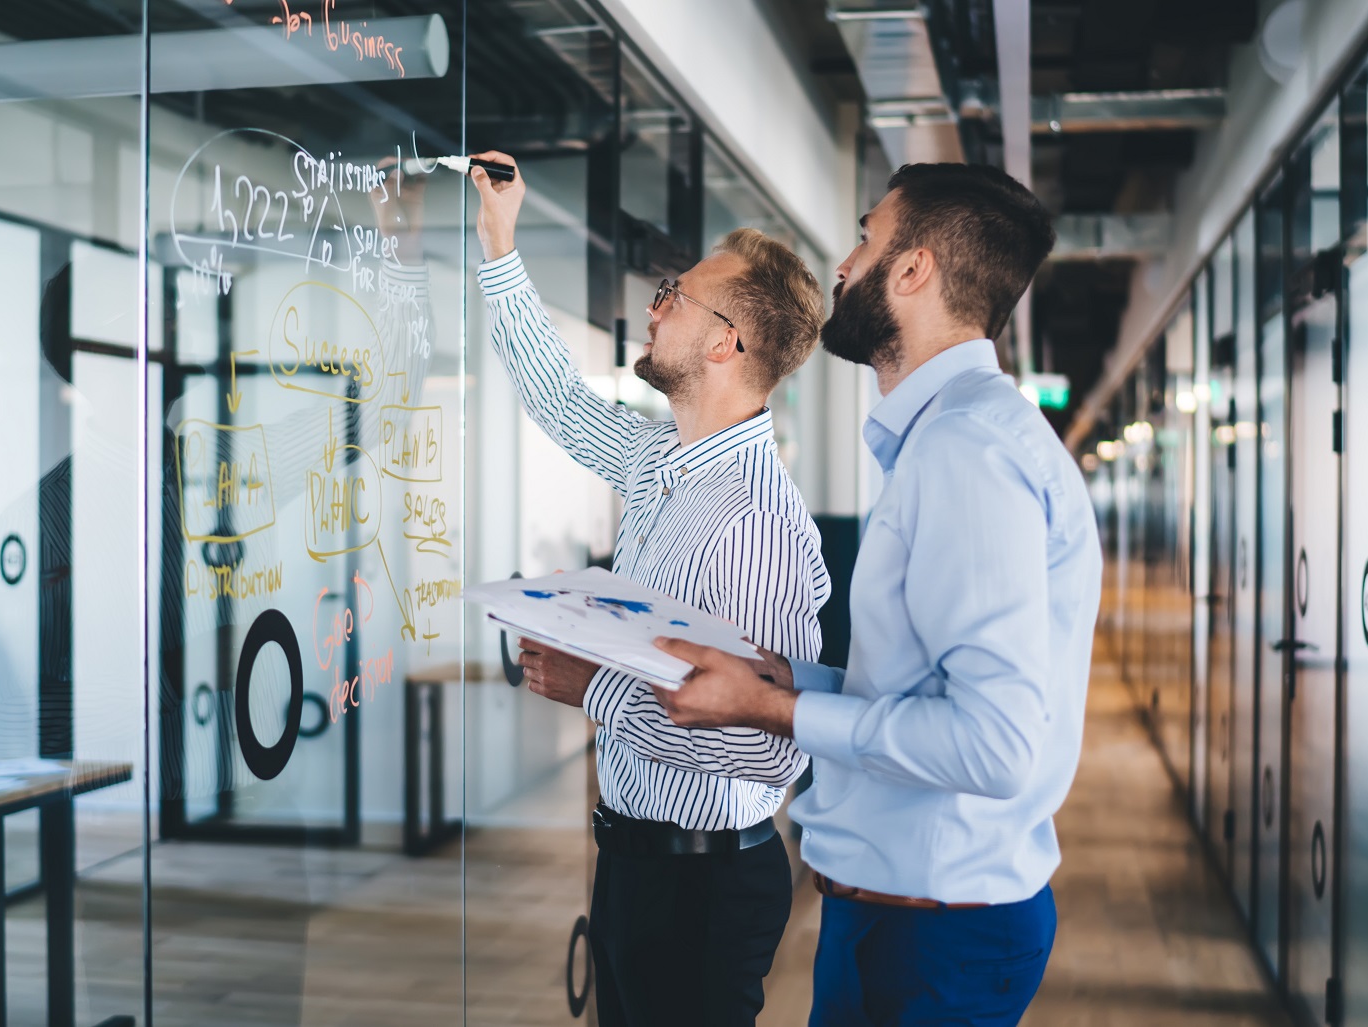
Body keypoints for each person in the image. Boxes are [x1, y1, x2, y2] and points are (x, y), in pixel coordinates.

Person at [654, 162, 1102, 1026]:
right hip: (911, 924)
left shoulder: (965, 450)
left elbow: (992, 742)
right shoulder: (957, 435)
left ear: (912, 270)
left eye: (866, 235)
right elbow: (919, 697)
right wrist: (777, 681)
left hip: (929, 943)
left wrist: (780, 713)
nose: (845, 261)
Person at [465, 151, 831, 1027]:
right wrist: (497, 238)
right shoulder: (660, 456)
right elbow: (556, 398)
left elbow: (772, 750)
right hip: (636, 864)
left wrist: (601, 692)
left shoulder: (755, 520)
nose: (654, 303)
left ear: (723, 343)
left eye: (676, 293)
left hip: (703, 885)